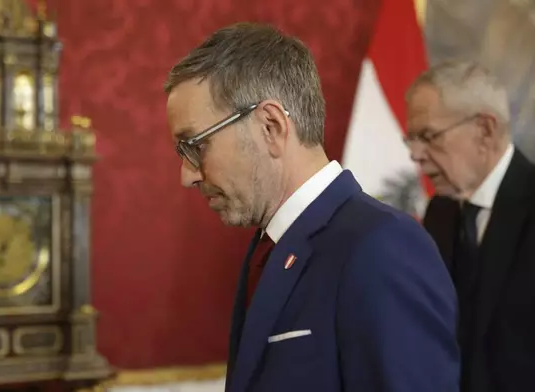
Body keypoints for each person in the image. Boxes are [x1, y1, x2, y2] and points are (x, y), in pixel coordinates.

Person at [164, 22, 459, 392]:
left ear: (270, 126)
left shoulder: (382, 247)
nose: (187, 176)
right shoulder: (269, 247)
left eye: (195, 146)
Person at [406, 60, 535, 392]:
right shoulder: (439, 213)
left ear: (485, 130)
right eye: (412, 140)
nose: (416, 156)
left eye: (429, 136)